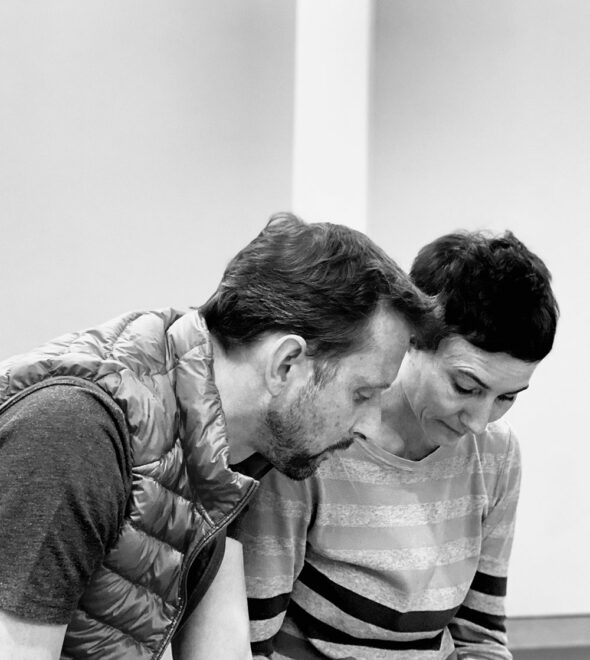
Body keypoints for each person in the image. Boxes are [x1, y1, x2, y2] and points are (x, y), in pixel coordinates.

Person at [0, 212, 437, 660]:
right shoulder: (75, 432)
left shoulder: (228, 447)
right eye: (362, 394)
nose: (370, 425)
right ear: (286, 364)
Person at [233, 230, 559, 660]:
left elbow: (479, 636)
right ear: (413, 340)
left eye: (506, 397)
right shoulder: (316, 440)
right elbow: (250, 643)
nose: (479, 422)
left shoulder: (497, 454)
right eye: (465, 387)